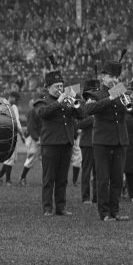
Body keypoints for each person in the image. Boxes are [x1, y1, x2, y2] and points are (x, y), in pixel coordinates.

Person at [84, 60, 133, 222]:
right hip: (102, 141)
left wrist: (128, 101)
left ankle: (115, 211)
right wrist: (111, 97)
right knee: (103, 178)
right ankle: (104, 213)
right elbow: (89, 109)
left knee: (117, 179)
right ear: (103, 77)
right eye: (110, 76)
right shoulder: (95, 94)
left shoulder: (122, 92)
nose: (114, 79)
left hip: (120, 140)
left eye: (116, 76)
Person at [36, 67, 84, 216]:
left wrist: (75, 102)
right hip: (50, 144)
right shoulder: (42, 102)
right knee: (49, 178)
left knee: (62, 179)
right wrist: (59, 100)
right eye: (57, 87)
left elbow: (81, 114)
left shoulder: (67, 101)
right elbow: (44, 113)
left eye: (61, 87)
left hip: (66, 143)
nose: (60, 89)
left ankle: (61, 207)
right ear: (48, 87)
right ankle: (47, 208)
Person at [77, 79, 100, 204]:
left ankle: (97, 196)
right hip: (87, 142)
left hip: (99, 141)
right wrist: (92, 118)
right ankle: (85, 197)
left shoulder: (100, 105)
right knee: (86, 171)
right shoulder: (82, 107)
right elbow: (78, 124)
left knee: (98, 172)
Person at [0, 91, 23, 185]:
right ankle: (7, 180)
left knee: (13, 159)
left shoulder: (14, 107)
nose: (17, 101)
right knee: (10, 158)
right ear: (12, 97)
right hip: (7, 134)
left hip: (14, 133)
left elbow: (17, 122)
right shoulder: (3, 105)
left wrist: (21, 134)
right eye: (16, 98)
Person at [18, 96, 42, 186]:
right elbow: (31, 127)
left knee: (45, 160)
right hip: (34, 138)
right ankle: (22, 178)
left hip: (41, 137)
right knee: (31, 158)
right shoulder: (32, 112)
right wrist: (37, 139)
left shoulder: (40, 110)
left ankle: (48, 179)